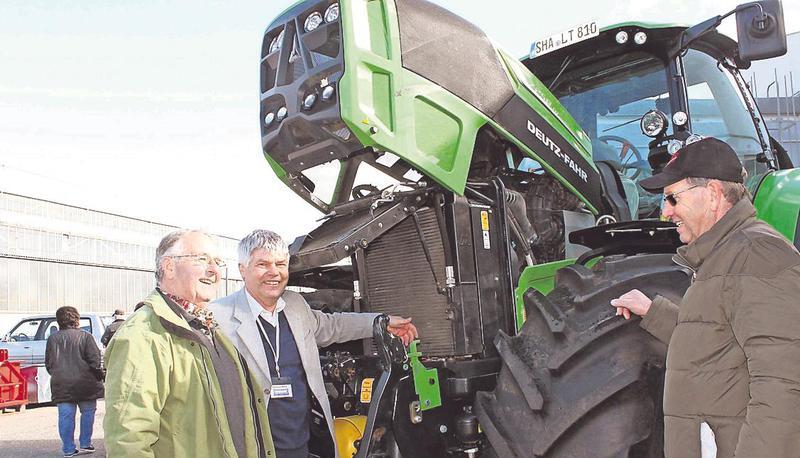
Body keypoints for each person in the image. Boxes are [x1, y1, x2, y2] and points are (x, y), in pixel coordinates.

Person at [610, 137, 800, 457]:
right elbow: (719, 340)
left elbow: (783, 387)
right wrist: (654, 311)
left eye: (672, 198)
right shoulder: (724, 256)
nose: (665, 213)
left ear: (712, 195)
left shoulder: (757, 255)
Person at [211, 229, 418, 458]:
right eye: (263, 264)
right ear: (243, 269)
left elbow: (332, 326)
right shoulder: (218, 316)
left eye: (280, 264)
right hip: (252, 450)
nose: (274, 273)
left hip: (300, 447)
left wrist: (380, 323)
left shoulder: (294, 304)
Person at [103, 229, 275, 457]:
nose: (214, 270)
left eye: (217, 262)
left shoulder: (212, 327)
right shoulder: (143, 336)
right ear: (169, 266)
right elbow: (128, 441)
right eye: (202, 259)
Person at [45, 306, 104, 457]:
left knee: (65, 416)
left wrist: (58, 374)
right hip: (86, 383)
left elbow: (49, 363)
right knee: (88, 413)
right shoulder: (86, 337)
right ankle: (85, 443)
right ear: (77, 319)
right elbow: (95, 361)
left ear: (59, 320)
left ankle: (68, 449)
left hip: (62, 383)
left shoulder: (53, 339)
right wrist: (100, 376)